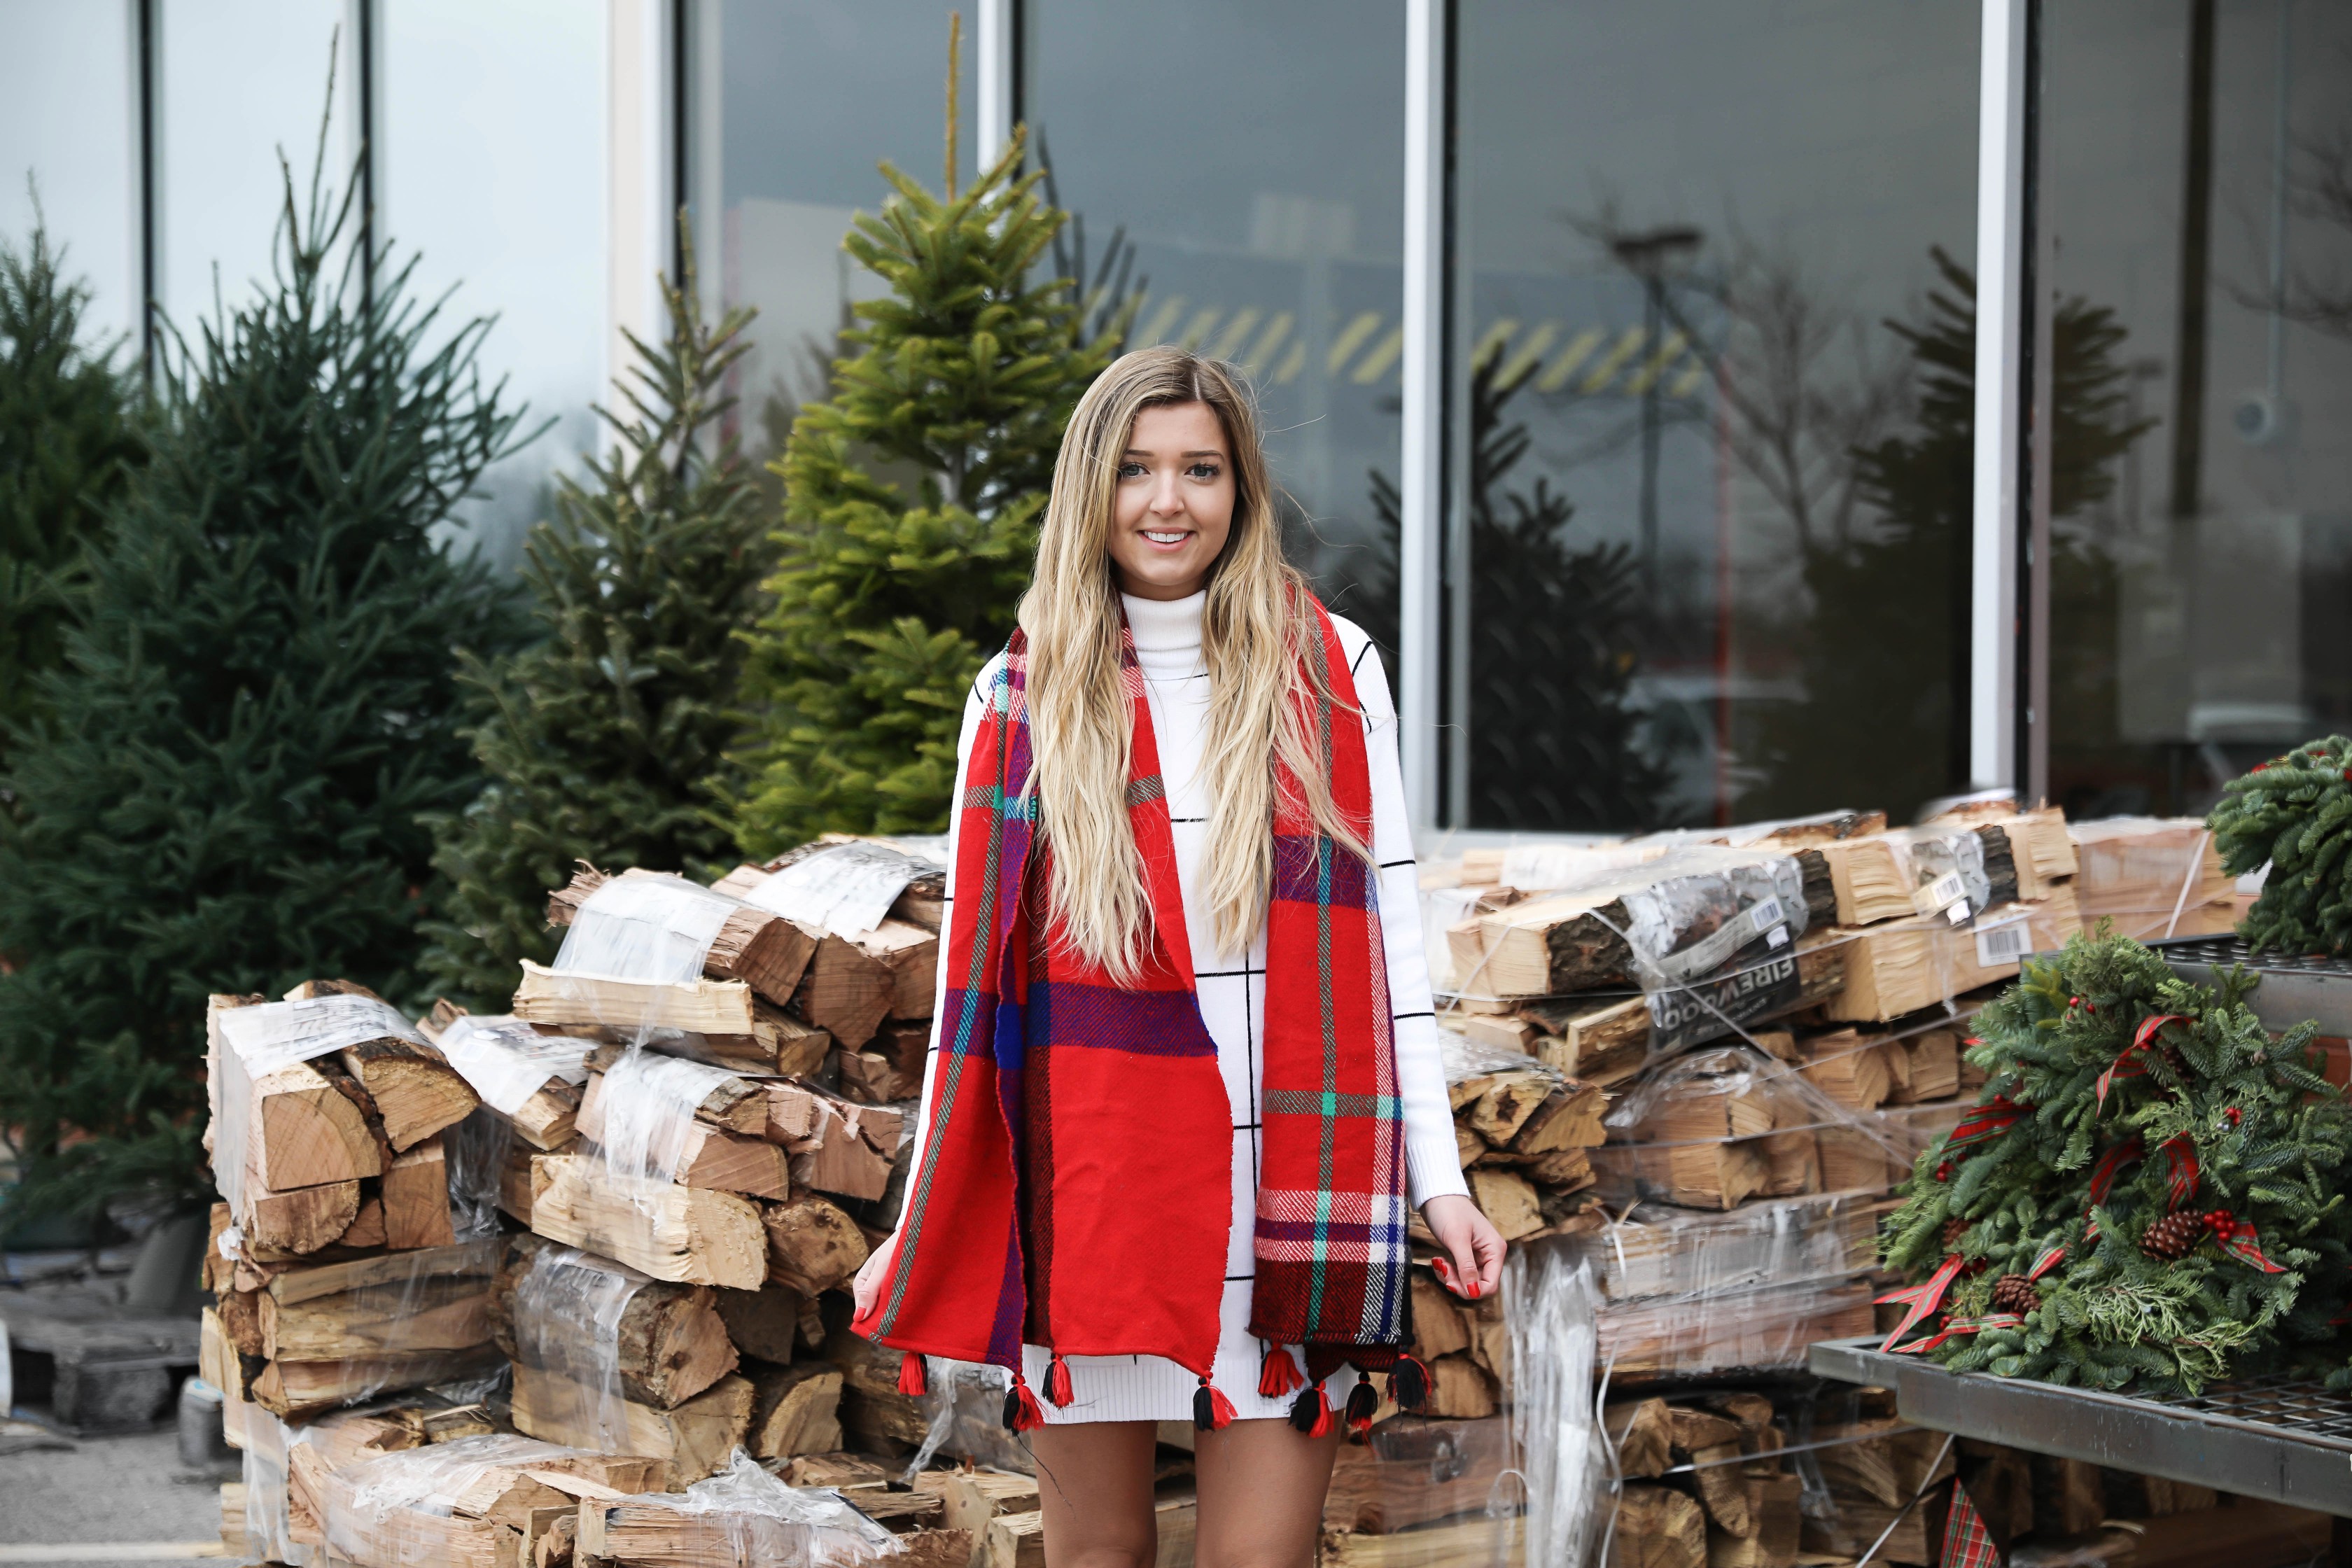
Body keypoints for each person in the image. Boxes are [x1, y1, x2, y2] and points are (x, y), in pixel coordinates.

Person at [850, 346, 1505, 1568]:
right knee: (1099, 1557)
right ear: (1090, 491)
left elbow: (1389, 963)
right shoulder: (1018, 696)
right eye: (1137, 470)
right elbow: (971, 992)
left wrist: (1441, 1180)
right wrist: (925, 1207)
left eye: (1200, 469)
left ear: (1241, 488)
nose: (1168, 501)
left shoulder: (1335, 670)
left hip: (1293, 1197)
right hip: (1098, 1183)